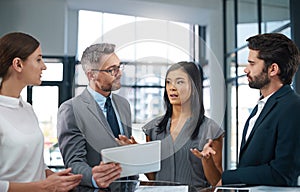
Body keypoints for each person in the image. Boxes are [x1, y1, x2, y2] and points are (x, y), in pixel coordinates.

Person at [192, 33, 300, 187]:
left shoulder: (293, 107)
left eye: (251, 63)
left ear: (273, 69)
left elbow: (282, 173)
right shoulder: (261, 106)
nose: (246, 70)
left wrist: (231, 177)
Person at [0, 32, 82, 192]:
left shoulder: (27, 108)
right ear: (18, 64)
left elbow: (35, 166)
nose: (44, 66)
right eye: (38, 59)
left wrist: (63, 179)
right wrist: (40, 187)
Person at [57, 43, 136, 188]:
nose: (119, 73)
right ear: (91, 75)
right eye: (112, 70)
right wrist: (94, 177)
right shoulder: (71, 109)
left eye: (119, 67)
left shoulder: (124, 105)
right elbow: (74, 163)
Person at [142, 61, 224, 187]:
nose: (172, 87)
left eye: (179, 82)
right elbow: (153, 177)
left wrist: (207, 162)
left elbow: (217, 183)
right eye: (168, 82)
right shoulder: (153, 129)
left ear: (193, 87)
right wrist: (138, 156)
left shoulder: (211, 130)